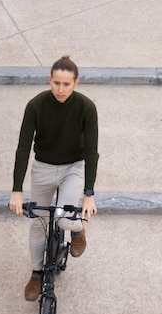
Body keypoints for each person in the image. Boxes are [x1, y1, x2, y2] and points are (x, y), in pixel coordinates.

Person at [9, 55, 99, 301]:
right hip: (43, 167)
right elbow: (23, 147)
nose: (61, 89)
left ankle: (78, 230)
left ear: (76, 83)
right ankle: (36, 274)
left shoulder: (86, 108)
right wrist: (17, 189)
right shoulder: (36, 105)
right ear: (50, 80)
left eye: (66, 84)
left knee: (63, 218)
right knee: (38, 223)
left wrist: (88, 194)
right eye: (56, 83)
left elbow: (91, 151)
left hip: (73, 168)